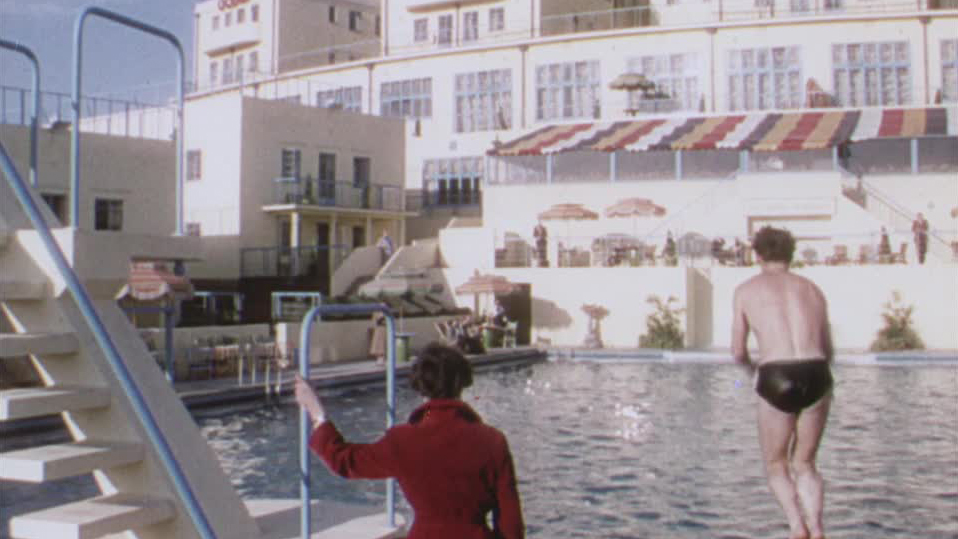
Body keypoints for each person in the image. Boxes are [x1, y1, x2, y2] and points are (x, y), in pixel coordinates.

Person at [294, 342, 524, 539]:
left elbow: (345, 461)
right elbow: (511, 524)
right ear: (461, 384)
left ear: (420, 385)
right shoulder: (493, 441)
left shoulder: (402, 441)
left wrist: (316, 411)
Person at [731, 226, 834, 539]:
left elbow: (738, 352)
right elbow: (828, 349)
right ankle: (817, 528)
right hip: (817, 372)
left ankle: (796, 526)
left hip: (776, 374)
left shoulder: (746, 290)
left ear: (758, 255)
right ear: (791, 254)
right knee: (806, 463)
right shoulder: (812, 289)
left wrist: (753, 373)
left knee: (776, 464)